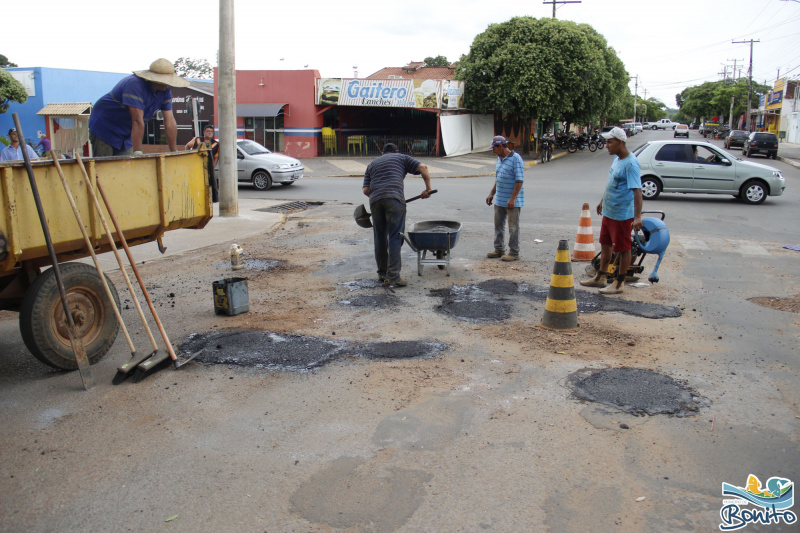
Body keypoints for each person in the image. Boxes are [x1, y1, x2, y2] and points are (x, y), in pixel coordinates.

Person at [579, 126, 642, 295]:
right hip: (609, 211)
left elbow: (637, 191)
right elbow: (611, 184)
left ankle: (619, 282)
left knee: (623, 248)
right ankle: (601, 277)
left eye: (609, 142)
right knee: (605, 244)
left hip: (621, 214)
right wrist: (602, 202)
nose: (606, 145)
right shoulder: (617, 159)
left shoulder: (631, 163)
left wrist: (637, 217)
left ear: (620, 142)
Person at [362, 143, 433, 287]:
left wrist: (380, 197)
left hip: (375, 201)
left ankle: (382, 273)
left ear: (383, 153)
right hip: (395, 200)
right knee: (395, 236)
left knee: (380, 237)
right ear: (396, 151)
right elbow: (423, 168)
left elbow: (365, 190)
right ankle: (393, 276)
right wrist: (428, 189)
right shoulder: (401, 157)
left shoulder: (372, 164)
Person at [88, 58, 189, 157]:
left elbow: (170, 121)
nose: (168, 84)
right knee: (106, 168)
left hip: (126, 133)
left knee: (129, 167)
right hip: (105, 127)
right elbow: (137, 120)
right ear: (156, 80)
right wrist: (138, 152)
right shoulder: (134, 84)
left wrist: (174, 152)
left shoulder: (165, 90)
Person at [485, 135, 525, 261]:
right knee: (498, 225)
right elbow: (498, 178)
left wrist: (513, 198)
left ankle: (514, 252)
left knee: (513, 227)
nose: (493, 151)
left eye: (494, 148)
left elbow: (519, 180)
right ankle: (499, 249)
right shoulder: (499, 159)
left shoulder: (516, 158)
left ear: (501, 146)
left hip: (512, 201)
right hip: (500, 199)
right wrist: (492, 193)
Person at [186, 125, 220, 202]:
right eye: (208, 131)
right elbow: (187, 146)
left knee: (207, 184)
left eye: (211, 132)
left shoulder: (216, 144)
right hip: (194, 166)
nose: (209, 133)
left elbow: (216, 157)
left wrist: (212, 168)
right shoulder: (197, 139)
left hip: (206, 167)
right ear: (204, 132)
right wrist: (188, 156)